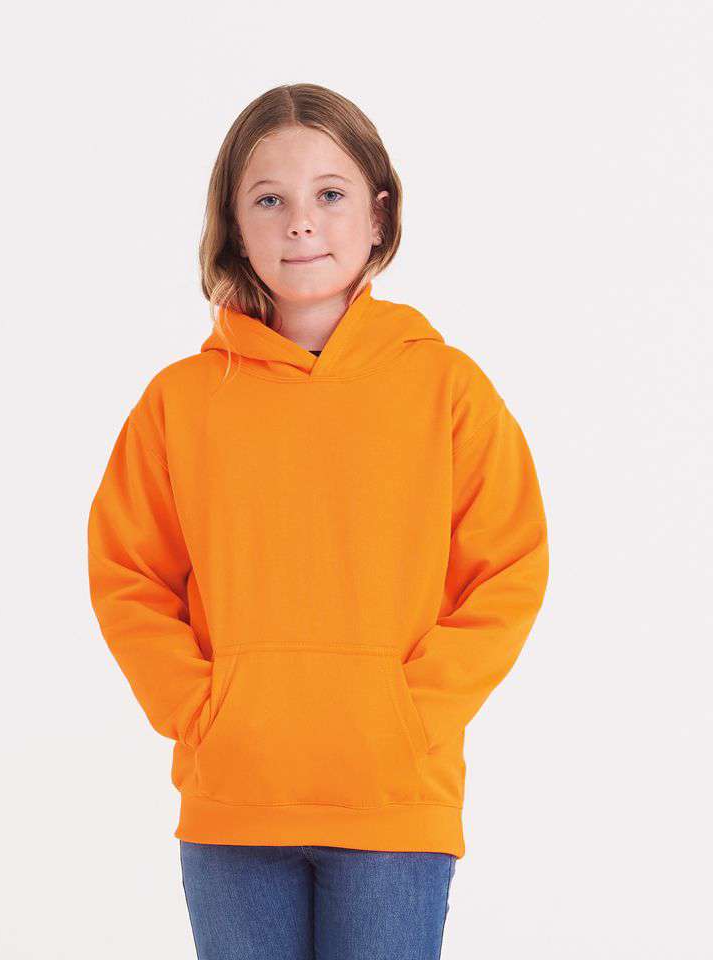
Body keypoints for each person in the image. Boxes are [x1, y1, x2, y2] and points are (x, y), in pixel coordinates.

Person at [87, 82, 550, 959]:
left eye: (330, 194)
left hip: (393, 805)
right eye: (269, 200)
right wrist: (202, 712)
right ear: (234, 226)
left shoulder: (447, 389)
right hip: (235, 802)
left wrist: (410, 718)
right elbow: (128, 575)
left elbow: (509, 569)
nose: (301, 222)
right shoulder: (180, 403)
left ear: (379, 214)